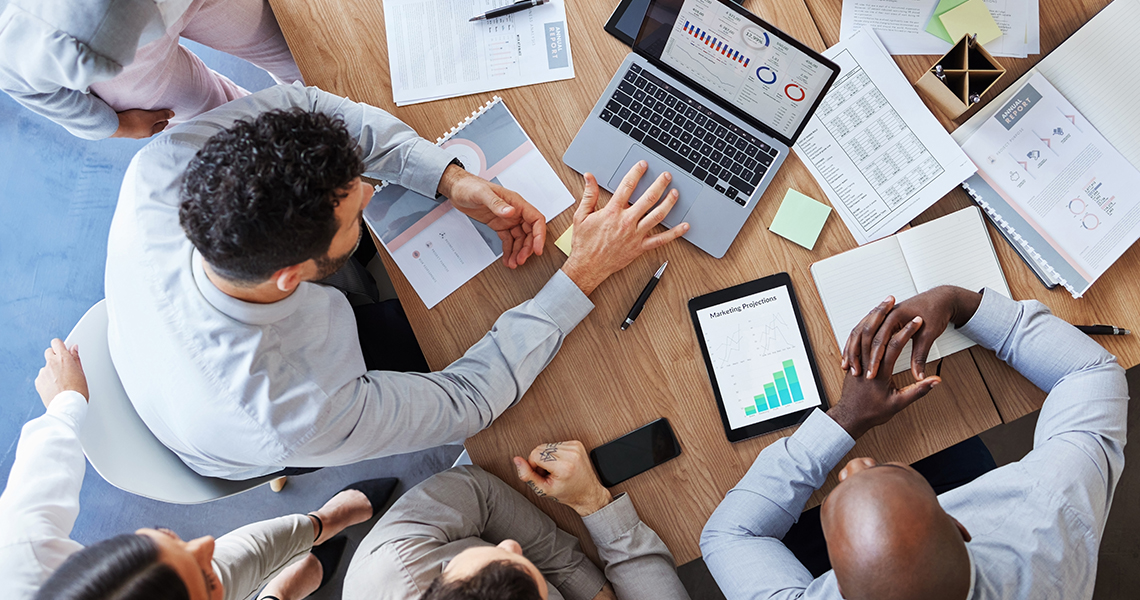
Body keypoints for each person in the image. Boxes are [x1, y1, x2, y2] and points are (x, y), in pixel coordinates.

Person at [105, 80, 689, 480]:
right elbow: (467, 399)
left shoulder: (166, 164)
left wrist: (448, 180)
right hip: (235, 430)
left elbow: (312, 107)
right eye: (354, 213)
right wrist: (584, 272)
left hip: (166, 348)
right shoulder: (300, 414)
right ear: (291, 277)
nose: (368, 190)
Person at [700, 286, 1127, 600]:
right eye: (875, 469)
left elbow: (728, 535)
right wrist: (962, 303)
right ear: (961, 526)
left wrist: (845, 419)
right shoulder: (1051, 515)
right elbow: (1090, 373)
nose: (856, 464)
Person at [0, 339, 400, 600]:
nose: (206, 542)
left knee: (240, 558)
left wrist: (67, 402)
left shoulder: (19, 561)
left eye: (166, 537)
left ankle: (320, 523)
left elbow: (33, 496)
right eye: (206, 584)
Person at [342, 440, 691, 600]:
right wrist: (591, 500)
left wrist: (592, 590)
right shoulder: (394, 565)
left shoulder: (397, 560)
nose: (511, 545)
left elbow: (476, 489)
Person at [0, 0, 302, 140]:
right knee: (233, 124)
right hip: (125, 64)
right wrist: (114, 127)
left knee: (295, 51)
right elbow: (15, 80)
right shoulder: (39, 34)